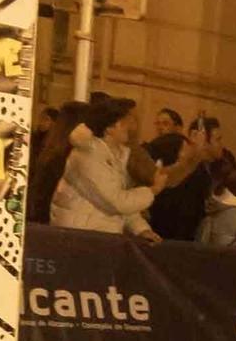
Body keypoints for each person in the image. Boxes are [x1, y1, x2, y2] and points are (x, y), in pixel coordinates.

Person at [49, 96, 165, 239]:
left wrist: (141, 230)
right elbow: (116, 202)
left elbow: (121, 202)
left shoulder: (117, 155)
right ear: (109, 128)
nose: (131, 127)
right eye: (125, 122)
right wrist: (153, 190)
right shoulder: (89, 154)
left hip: (97, 235)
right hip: (79, 237)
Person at [150, 115, 234, 241]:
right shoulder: (174, 148)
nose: (221, 145)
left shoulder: (208, 170)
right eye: (218, 139)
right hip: (165, 237)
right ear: (201, 138)